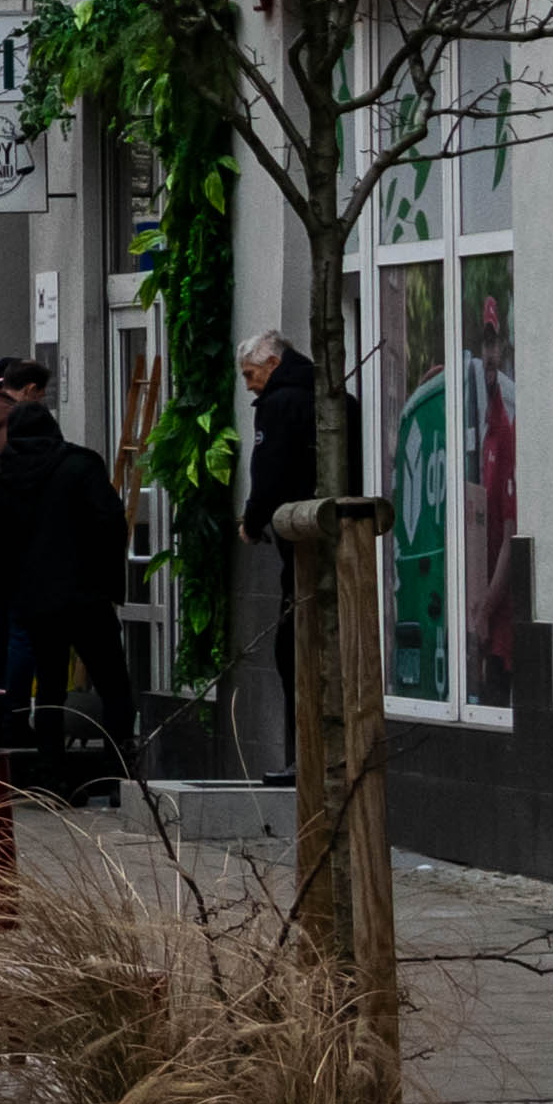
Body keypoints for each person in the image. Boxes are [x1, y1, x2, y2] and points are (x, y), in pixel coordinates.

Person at [0, 353, 140, 770]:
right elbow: (112, 521)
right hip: (87, 596)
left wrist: (12, 594)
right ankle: (118, 773)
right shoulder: (80, 464)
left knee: (50, 688)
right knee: (113, 684)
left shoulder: (5, 480)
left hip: (38, 603)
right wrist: (110, 580)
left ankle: (51, 773)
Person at [232, 332, 316, 778]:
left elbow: (268, 472)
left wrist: (251, 520)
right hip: (331, 538)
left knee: (292, 650)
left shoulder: (279, 405)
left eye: (250, 374)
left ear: (271, 362)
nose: (248, 385)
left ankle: (304, 759)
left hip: (302, 542)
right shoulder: (333, 395)